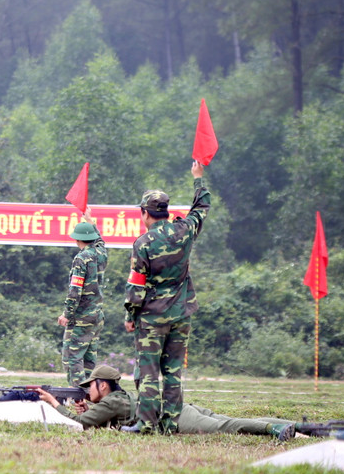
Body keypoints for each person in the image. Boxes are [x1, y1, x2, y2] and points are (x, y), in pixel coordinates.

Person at [124, 160, 211, 435]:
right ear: (165, 212)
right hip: (181, 314)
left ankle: (146, 423)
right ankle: (170, 424)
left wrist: (130, 315)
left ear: (144, 213)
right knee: (173, 372)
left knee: (148, 371)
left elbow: (136, 285)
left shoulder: (143, 243)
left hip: (151, 317)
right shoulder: (185, 231)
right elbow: (202, 208)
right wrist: (198, 178)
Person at [36, 365, 297, 440]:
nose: (86, 391)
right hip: (178, 410)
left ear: (102, 385)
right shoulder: (117, 398)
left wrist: (52, 403)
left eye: (89, 386)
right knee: (227, 420)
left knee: (228, 426)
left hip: (178, 418)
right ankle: (296, 426)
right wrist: (92, 409)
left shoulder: (112, 401)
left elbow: (79, 423)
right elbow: (107, 416)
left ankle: (273, 429)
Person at [58, 211, 107, 386]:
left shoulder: (81, 259)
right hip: (97, 316)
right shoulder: (101, 253)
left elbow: (75, 291)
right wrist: (91, 222)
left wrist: (66, 314)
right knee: (89, 358)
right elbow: (101, 241)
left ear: (77, 239)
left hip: (81, 317)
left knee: (72, 357)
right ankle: (90, 394)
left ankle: (77, 395)